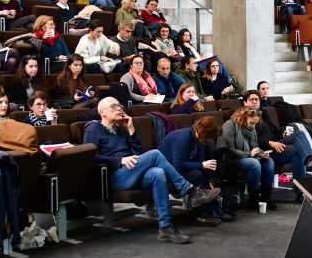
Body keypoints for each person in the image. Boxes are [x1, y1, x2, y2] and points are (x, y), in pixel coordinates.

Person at [83, 97, 221, 244]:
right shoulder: (93, 128)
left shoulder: (121, 129)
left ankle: (165, 228)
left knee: (157, 173)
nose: (119, 108)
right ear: (101, 112)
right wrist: (119, 160)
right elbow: (89, 156)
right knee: (154, 154)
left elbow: (137, 152)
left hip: (130, 173)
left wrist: (131, 130)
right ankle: (191, 191)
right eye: (113, 106)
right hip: (113, 176)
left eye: (119, 105)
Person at [159, 117, 225, 227]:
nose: (208, 141)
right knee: (197, 174)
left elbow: (200, 159)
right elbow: (177, 165)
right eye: (208, 138)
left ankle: (203, 210)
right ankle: (198, 214)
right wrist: (201, 165)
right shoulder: (183, 138)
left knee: (206, 171)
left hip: (180, 169)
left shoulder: (197, 137)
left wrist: (205, 165)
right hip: (167, 172)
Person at [218, 106, 276, 210]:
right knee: (254, 164)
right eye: (252, 123)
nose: (253, 126)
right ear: (244, 118)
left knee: (269, 161)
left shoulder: (252, 127)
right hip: (233, 160)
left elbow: (254, 147)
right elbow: (229, 150)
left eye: (255, 123)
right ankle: (253, 199)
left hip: (249, 156)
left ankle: (266, 198)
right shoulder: (229, 125)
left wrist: (261, 153)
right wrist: (250, 154)